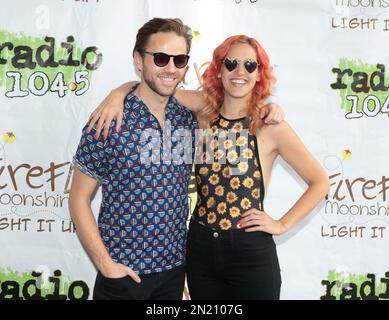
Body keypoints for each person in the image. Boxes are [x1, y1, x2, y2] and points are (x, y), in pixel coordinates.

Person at [88, 34, 330, 300]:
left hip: (249, 253)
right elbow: (155, 85)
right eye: (231, 63)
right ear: (219, 69)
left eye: (250, 65)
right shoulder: (203, 111)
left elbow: (320, 182)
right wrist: (117, 93)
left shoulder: (269, 126)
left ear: (260, 74)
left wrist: (282, 224)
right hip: (200, 249)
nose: (240, 72)